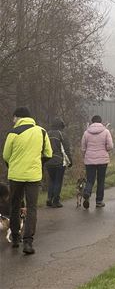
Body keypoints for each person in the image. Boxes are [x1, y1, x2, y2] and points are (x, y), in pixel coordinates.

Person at [2, 107, 52, 254]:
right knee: (31, 208)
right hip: (33, 176)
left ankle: (16, 238)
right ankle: (28, 242)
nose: (12, 121)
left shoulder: (13, 133)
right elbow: (48, 153)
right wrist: (38, 164)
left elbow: (6, 155)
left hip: (15, 176)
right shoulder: (42, 131)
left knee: (14, 205)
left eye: (13, 118)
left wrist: (13, 165)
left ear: (18, 117)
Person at [81, 115, 113, 209]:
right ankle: (99, 201)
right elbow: (110, 146)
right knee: (101, 180)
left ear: (92, 122)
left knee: (90, 179)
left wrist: (86, 155)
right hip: (102, 160)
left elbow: (83, 147)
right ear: (101, 122)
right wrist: (105, 149)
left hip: (89, 160)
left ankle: (87, 192)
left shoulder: (86, 133)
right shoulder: (106, 132)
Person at [45, 118, 72, 208]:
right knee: (58, 181)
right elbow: (66, 149)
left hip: (48, 161)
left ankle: (49, 198)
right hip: (59, 161)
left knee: (51, 180)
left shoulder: (46, 134)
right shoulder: (62, 135)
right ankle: (56, 201)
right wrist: (70, 161)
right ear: (61, 126)